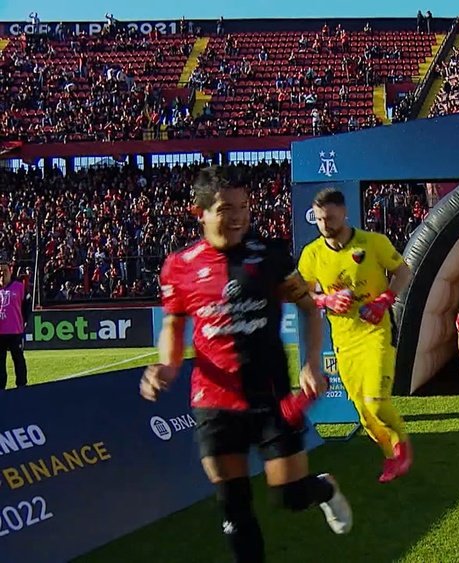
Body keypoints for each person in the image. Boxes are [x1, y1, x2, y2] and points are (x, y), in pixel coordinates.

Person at [140, 166, 352, 563]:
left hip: (270, 394)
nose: (237, 217)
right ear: (199, 212)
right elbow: (173, 322)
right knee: (234, 508)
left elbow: (309, 310)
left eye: (244, 207)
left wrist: (310, 363)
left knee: (289, 495)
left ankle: (322, 488)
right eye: (225, 208)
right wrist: (167, 366)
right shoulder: (179, 266)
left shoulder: (270, 256)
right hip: (213, 400)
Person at [298, 188, 414, 484]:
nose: (326, 225)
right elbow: (303, 292)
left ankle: (402, 443)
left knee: (376, 402)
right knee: (364, 414)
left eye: (331, 218)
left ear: (345, 214)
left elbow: (403, 272)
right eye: (321, 219)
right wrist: (326, 300)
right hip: (344, 341)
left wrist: (384, 300)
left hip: (376, 331)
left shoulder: (373, 243)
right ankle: (389, 457)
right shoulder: (312, 254)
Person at [0, 254, 29, 390]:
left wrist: (24, 322)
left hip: (15, 331)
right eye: (0, 271)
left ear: (10, 271)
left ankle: (21, 385)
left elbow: (26, 307)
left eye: (4, 271)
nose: (2, 274)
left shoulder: (18, 287)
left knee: (18, 359)